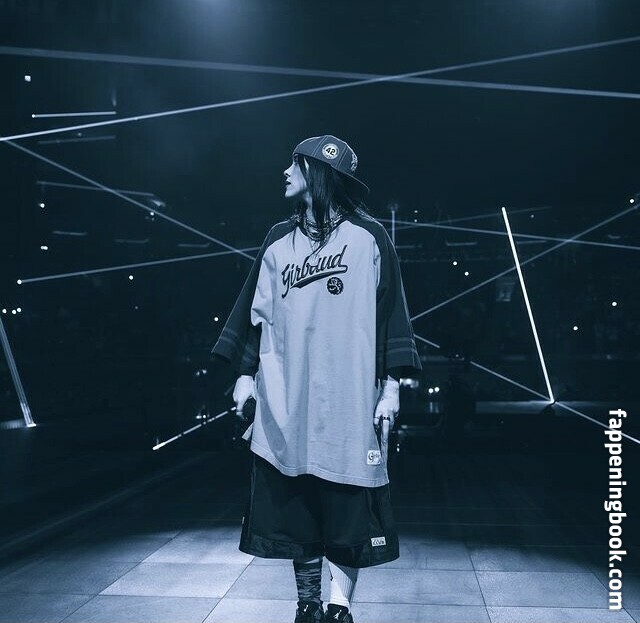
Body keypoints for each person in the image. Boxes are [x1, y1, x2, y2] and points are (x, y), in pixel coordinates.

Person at [211, 135, 421, 623]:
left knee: (349, 509)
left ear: (319, 173)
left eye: (295, 164)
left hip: (350, 401)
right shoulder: (276, 240)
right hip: (287, 399)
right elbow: (254, 314)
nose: (285, 172)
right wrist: (244, 376)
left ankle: (338, 607)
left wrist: (391, 386)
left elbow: (393, 314)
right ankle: (308, 602)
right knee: (296, 503)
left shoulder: (370, 237)